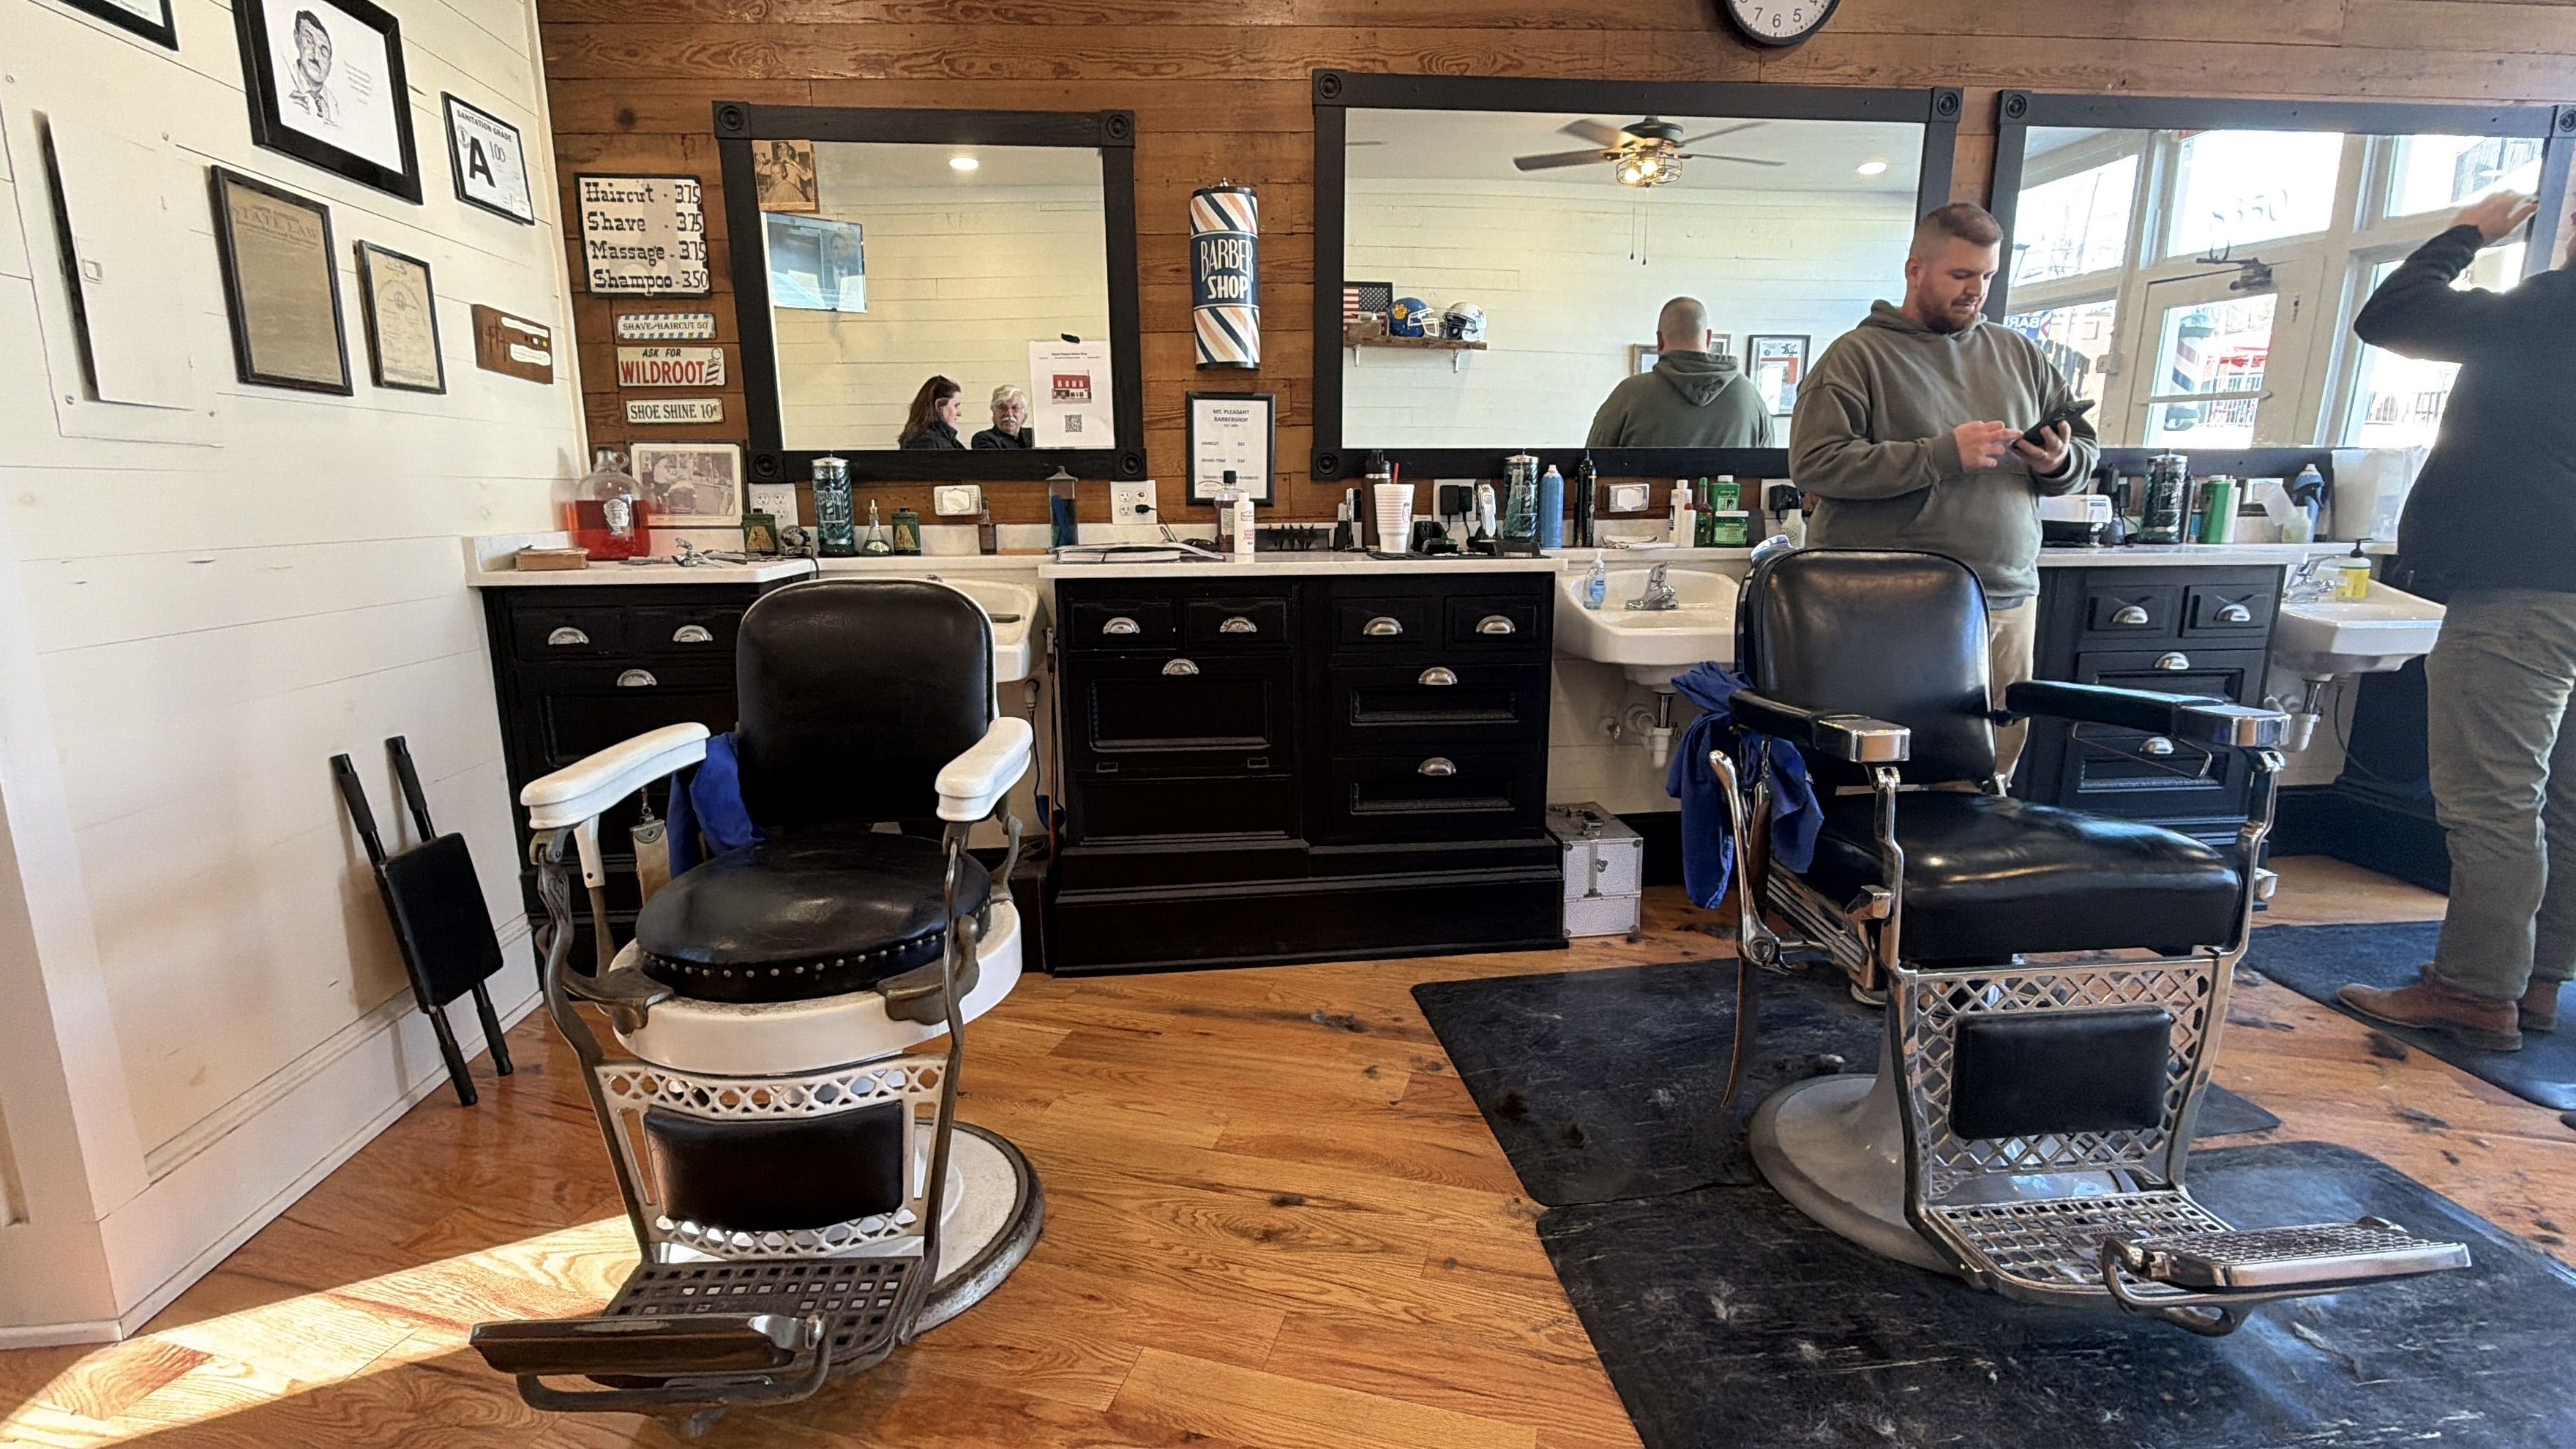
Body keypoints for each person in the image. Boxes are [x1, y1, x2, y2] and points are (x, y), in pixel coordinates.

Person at [2336, 190, 2576, 1052]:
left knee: (2494, 799)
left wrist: (2467, 233)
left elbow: (2390, 315)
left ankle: (2475, 991)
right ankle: (2536, 979)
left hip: (2521, 587)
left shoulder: (2550, 309)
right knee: (2563, 800)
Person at [1788, 201, 2098, 779]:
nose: (1975, 291)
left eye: (1986, 276)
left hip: (2005, 599)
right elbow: (1814, 465)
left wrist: (2059, 461)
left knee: (1990, 774)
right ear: (1915, 270)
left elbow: (2083, 451)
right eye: (1960, 275)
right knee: (1878, 775)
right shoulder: (1857, 358)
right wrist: (1941, 456)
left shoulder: (2020, 354)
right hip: (1890, 608)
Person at [1587, 298, 1772, 449]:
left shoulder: (1629, 394)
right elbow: (1769, 472)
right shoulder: (1750, 396)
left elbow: (1590, 463)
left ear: (1660, 340)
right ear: (1708, 338)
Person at [286, 11, 337, 127]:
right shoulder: (283, 83)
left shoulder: (335, 105)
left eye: (324, 51)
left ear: (330, 65)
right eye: (309, 41)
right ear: (297, 39)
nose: (316, 56)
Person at [898, 376, 965, 449]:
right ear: (939, 406)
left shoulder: (939, 439)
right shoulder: (927, 443)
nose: (959, 413)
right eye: (956, 406)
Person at [973, 385, 1035, 449]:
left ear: (1024, 414)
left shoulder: (1034, 436)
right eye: (1002, 407)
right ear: (994, 412)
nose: (1009, 414)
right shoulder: (984, 439)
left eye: (1015, 408)